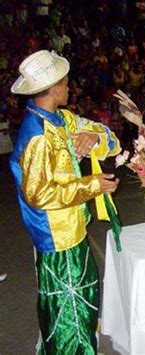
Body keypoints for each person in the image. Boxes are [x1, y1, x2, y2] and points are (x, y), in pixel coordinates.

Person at [9, 50, 121, 353]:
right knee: (70, 305)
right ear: (55, 87)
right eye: (66, 82)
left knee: (75, 299)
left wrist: (93, 138)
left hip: (72, 229)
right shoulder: (37, 136)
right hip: (56, 237)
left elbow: (112, 140)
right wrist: (90, 185)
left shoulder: (60, 120)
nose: (70, 87)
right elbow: (40, 195)